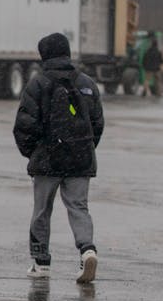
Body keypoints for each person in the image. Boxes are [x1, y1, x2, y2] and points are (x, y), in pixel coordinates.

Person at [12, 33, 105, 284]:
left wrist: (33, 153)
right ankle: (87, 250)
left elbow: (24, 125)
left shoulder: (38, 84)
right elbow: (97, 123)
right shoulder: (86, 83)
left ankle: (41, 262)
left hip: (47, 159)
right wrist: (85, 148)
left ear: (45, 55)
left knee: (42, 210)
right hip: (80, 159)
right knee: (79, 207)